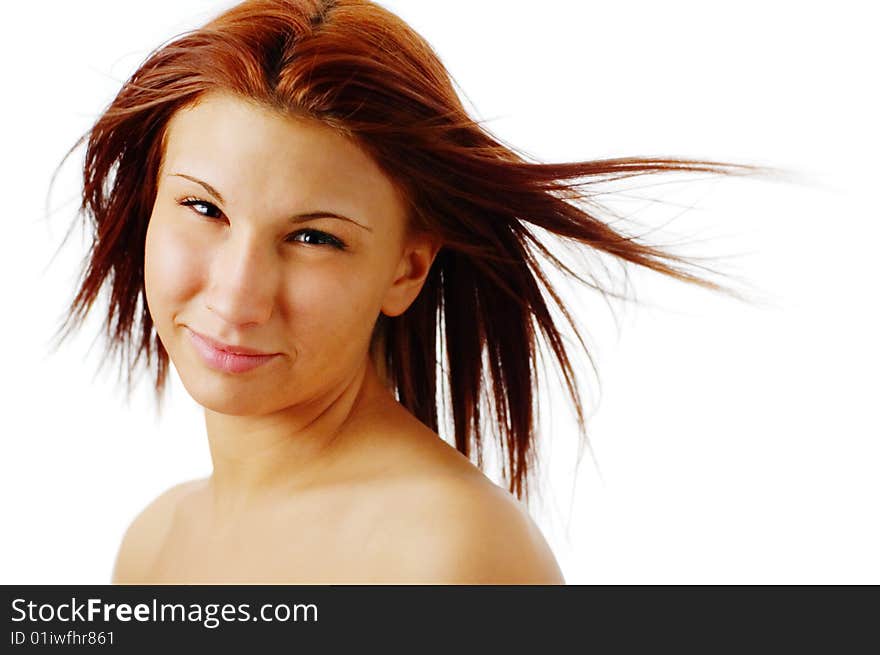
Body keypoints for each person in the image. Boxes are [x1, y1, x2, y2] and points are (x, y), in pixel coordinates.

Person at [51, 0, 770, 584]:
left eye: (314, 237)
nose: (239, 298)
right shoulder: (152, 544)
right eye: (204, 209)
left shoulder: (448, 556)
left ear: (407, 268)